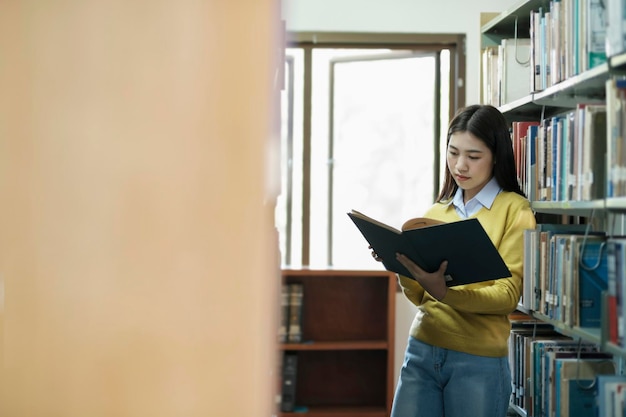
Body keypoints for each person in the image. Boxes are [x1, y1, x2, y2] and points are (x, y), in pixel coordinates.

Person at [376, 104, 536, 417]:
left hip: (479, 360)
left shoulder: (515, 211)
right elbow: (422, 296)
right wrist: (401, 265)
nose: (460, 165)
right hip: (422, 350)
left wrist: (447, 293)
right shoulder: (435, 214)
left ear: (496, 155)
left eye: (473, 156)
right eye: (453, 153)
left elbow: (507, 296)